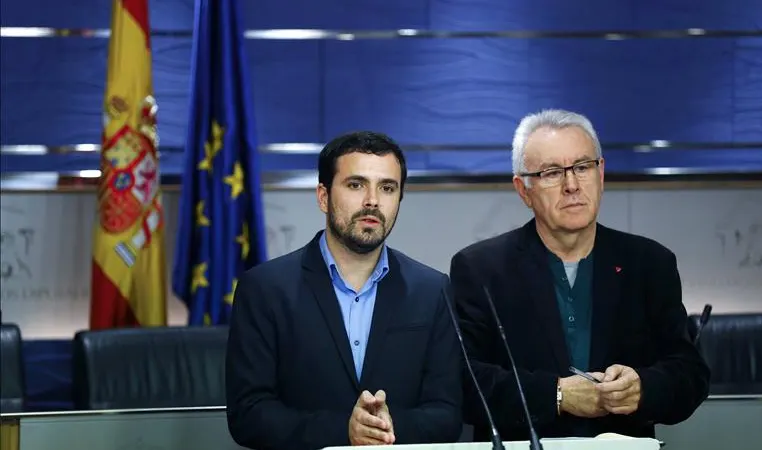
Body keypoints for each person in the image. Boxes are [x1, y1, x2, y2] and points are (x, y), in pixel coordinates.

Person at [450, 109, 710, 440]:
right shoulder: (480, 269)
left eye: (582, 167)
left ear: (601, 174)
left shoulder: (649, 263)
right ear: (523, 189)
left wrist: (642, 389)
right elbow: (462, 382)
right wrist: (557, 395)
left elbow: (690, 373)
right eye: (552, 173)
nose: (572, 185)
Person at [226, 131, 463, 450]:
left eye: (387, 188)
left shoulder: (432, 290)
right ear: (323, 196)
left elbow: (447, 414)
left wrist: (388, 428)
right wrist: (343, 431)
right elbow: (248, 414)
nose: (373, 201)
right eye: (356, 185)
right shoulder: (265, 289)